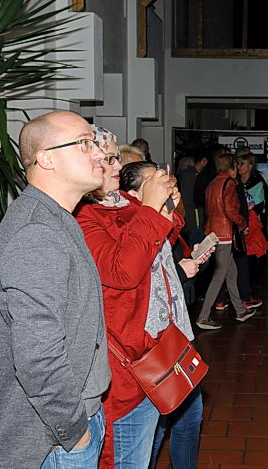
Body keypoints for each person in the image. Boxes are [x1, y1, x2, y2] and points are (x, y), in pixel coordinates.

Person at [0, 111, 110, 468]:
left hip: (66, 428)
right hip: (52, 441)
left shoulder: (55, 217)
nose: (99, 152)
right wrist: (75, 431)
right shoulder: (37, 232)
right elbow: (38, 357)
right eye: (85, 143)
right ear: (46, 158)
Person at [74, 143, 210, 468]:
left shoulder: (121, 206)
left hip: (161, 342)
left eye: (114, 159)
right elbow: (125, 271)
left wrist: (165, 210)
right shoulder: (85, 215)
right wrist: (152, 208)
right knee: (135, 450)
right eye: (107, 160)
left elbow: (156, 249)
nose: (116, 167)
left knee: (175, 424)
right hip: (129, 358)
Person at [197, 153, 256, 329]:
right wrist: (242, 223)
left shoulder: (212, 183)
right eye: (235, 166)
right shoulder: (229, 183)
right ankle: (203, 316)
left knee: (231, 273)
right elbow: (230, 210)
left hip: (213, 233)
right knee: (220, 275)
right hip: (225, 234)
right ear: (232, 168)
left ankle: (240, 310)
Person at [178, 150, 208, 246]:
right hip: (194, 218)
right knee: (196, 246)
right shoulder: (190, 175)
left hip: (194, 216)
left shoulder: (191, 174)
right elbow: (190, 199)